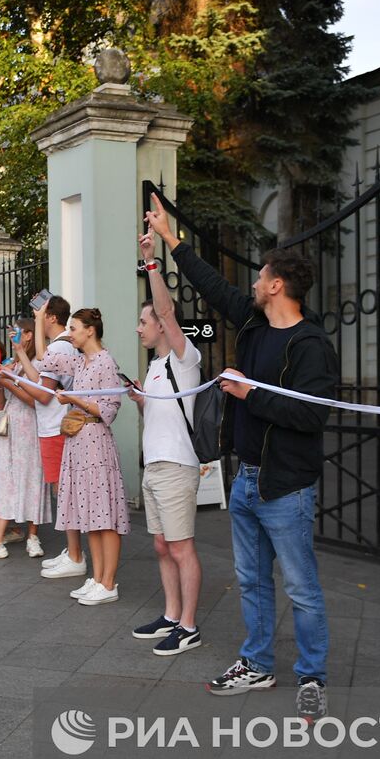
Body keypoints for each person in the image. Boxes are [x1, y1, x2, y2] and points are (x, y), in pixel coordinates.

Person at [146, 193, 339, 719]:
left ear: (277, 285)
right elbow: (213, 287)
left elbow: (312, 416)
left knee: (301, 587)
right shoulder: (253, 325)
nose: (252, 285)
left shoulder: (312, 345)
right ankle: (256, 663)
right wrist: (170, 240)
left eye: (260, 278)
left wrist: (248, 392)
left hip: (287, 486)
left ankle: (312, 677)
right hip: (247, 479)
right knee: (251, 579)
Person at [127, 231, 205, 655]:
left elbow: (167, 310)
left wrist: (151, 263)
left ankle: (189, 626)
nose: (139, 328)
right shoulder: (157, 366)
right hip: (154, 464)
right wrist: (141, 402)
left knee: (181, 546)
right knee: (161, 545)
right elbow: (163, 416)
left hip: (177, 466)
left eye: (144, 322)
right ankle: (172, 615)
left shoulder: (183, 355)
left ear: (160, 325)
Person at [50, 309, 129, 604]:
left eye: (74, 328)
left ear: (90, 331)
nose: (69, 333)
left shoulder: (105, 362)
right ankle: (97, 577)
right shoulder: (81, 362)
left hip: (95, 441)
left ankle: (109, 582)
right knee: (91, 513)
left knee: (105, 515)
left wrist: (72, 398)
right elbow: (46, 361)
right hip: (79, 441)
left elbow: (109, 408)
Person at [14, 296, 87, 579]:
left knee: (64, 493)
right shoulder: (62, 345)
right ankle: (72, 552)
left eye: (39, 315)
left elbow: (43, 394)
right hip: (55, 426)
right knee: (63, 492)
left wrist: (14, 380)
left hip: (58, 427)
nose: (36, 321)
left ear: (51, 317)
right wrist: (20, 354)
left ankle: (76, 555)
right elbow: (42, 378)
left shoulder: (59, 346)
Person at [0, 320, 47, 559]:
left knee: (32, 479)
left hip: (29, 427)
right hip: (10, 426)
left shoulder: (37, 364)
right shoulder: (14, 364)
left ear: (29, 335)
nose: (12, 338)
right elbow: (3, 400)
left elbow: (36, 399)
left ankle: (33, 535)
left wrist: (8, 383)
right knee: (4, 480)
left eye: (17, 333)